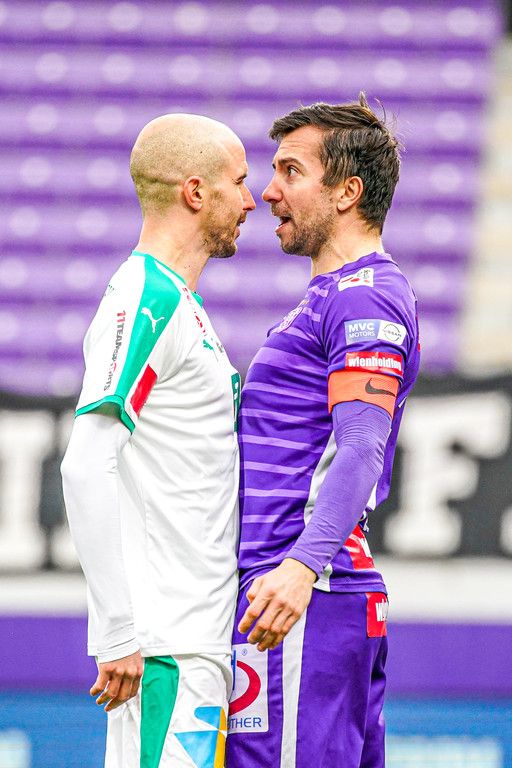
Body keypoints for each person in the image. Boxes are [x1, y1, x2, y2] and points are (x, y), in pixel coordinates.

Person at [226, 94, 420, 768]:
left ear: (346, 192)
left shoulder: (363, 295)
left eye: (291, 171)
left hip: (303, 595)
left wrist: (301, 567)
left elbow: (361, 446)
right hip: (305, 594)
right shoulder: (332, 296)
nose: (268, 191)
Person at [61, 113, 255, 768]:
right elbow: (85, 463)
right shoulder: (145, 298)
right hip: (167, 645)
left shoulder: (177, 301)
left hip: (191, 641)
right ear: (195, 191)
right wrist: (118, 631)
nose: (251, 200)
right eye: (239, 181)